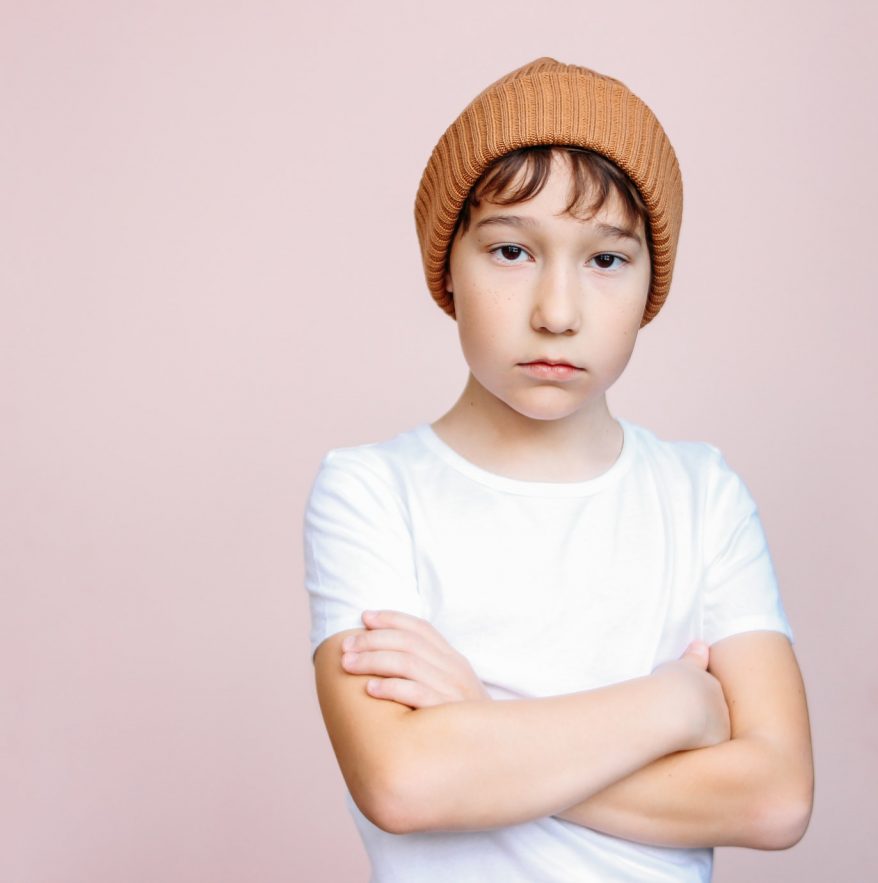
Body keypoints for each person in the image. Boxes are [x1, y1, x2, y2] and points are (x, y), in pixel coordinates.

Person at [304, 56, 814, 882]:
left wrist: (476, 722)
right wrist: (675, 704)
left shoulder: (700, 493)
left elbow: (776, 796)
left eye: (605, 260)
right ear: (449, 271)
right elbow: (403, 780)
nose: (557, 311)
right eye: (511, 251)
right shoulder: (371, 490)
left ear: (652, 283)